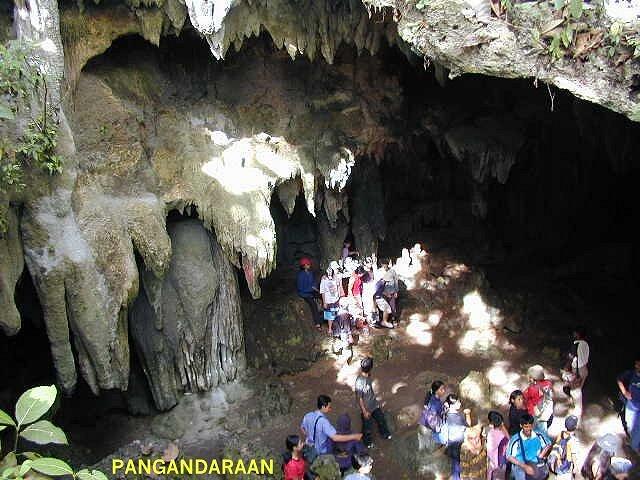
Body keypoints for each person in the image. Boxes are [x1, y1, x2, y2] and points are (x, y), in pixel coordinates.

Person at [300, 395, 363, 460]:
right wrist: (355, 436)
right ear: (323, 407)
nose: (330, 409)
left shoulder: (308, 415)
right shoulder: (324, 422)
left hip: (309, 444)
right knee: (331, 439)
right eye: (329, 407)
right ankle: (335, 455)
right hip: (321, 450)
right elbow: (335, 438)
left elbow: (302, 428)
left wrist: (310, 435)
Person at [355, 357, 392, 448]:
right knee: (367, 427)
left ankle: (385, 433)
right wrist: (364, 411)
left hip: (373, 404)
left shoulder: (368, 375)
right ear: (370, 368)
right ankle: (367, 442)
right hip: (366, 408)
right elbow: (359, 398)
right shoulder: (359, 382)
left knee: (381, 419)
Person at [506, 413, 551, 480]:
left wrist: (541, 455)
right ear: (521, 425)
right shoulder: (515, 439)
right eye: (526, 427)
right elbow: (509, 456)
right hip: (520, 468)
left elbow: (548, 444)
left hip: (536, 465)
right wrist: (524, 466)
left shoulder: (539, 435)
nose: (528, 430)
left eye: (530, 426)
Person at [439, 394, 473, 480]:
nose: (460, 404)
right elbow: (468, 426)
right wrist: (468, 414)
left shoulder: (446, 414)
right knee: (457, 466)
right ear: (452, 405)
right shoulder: (457, 417)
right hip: (456, 445)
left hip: (450, 443)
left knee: (455, 465)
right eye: (458, 402)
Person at [562, 326, 590, 419]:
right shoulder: (586, 344)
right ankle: (577, 407)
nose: (573, 334)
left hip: (577, 370)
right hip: (584, 369)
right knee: (579, 389)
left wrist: (566, 367)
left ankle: (577, 412)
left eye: (574, 333)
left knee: (575, 391)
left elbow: (571, 357)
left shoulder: (576, 344)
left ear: (578, 334)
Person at [523, 365, 554, 439]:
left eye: (530, 377)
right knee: (543, 432)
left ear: (533, 378)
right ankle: (545, 444)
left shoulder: (531, 389)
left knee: (536, 434)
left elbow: (524, 397)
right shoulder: (548, 383)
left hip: (536, 415)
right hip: (547, 413)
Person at [616, 356, 640, 452]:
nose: (638, 366)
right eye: (637, 364)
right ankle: (633, 442)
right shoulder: (631, 374)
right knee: (630, 425)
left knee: (637, 429)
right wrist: (625, 392)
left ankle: (633, 450)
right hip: (631, 405)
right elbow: (619, 379)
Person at [546, 415, 578, 480]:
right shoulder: (573, 440)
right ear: (575, 427)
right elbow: (573, 455)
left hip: (556, 462)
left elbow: (556, 445)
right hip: (565, 466)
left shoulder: (561, 433)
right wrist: (575, 467)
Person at [296, 257, 321, 329]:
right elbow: (300, 288)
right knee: (313, 305)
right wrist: (311, 289)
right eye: (308, 264)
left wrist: (315, 287)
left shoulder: (310, 273)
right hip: (304, 294)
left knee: (322, 297)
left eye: (309, 264)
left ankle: (324, 317)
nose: (309, 265)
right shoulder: (300, 275)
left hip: (311, 291)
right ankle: (317, 323)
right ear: (304, 266)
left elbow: (313, 282)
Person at [319, 263, 343, 335]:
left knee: (335, 314)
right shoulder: (324, 279)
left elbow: (338, 286)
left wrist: (339, 296)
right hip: (329, 301)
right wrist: (324, 302)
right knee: (330, 315)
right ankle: (330, 329)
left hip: (335, 299)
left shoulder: (336, 277)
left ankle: (336, 328)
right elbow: (322, 291)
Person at [487, 411, 509, 480]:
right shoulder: (503, 435)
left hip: (494, 462)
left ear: (491, 423)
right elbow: (509, 440)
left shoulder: (490, 433)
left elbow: (489, 450)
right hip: (502, 461)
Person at [380, 259, 399, 323]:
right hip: (383, 293)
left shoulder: (392, 271)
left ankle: (394, 319)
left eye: (385, 266)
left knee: (392, 306)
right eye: (383, 266)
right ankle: (385, 320)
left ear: (388, 265)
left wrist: (396, 291)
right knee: (384, 306)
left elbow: (396, 281)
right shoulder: (380, 272)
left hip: (391, 292)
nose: (384, 268)